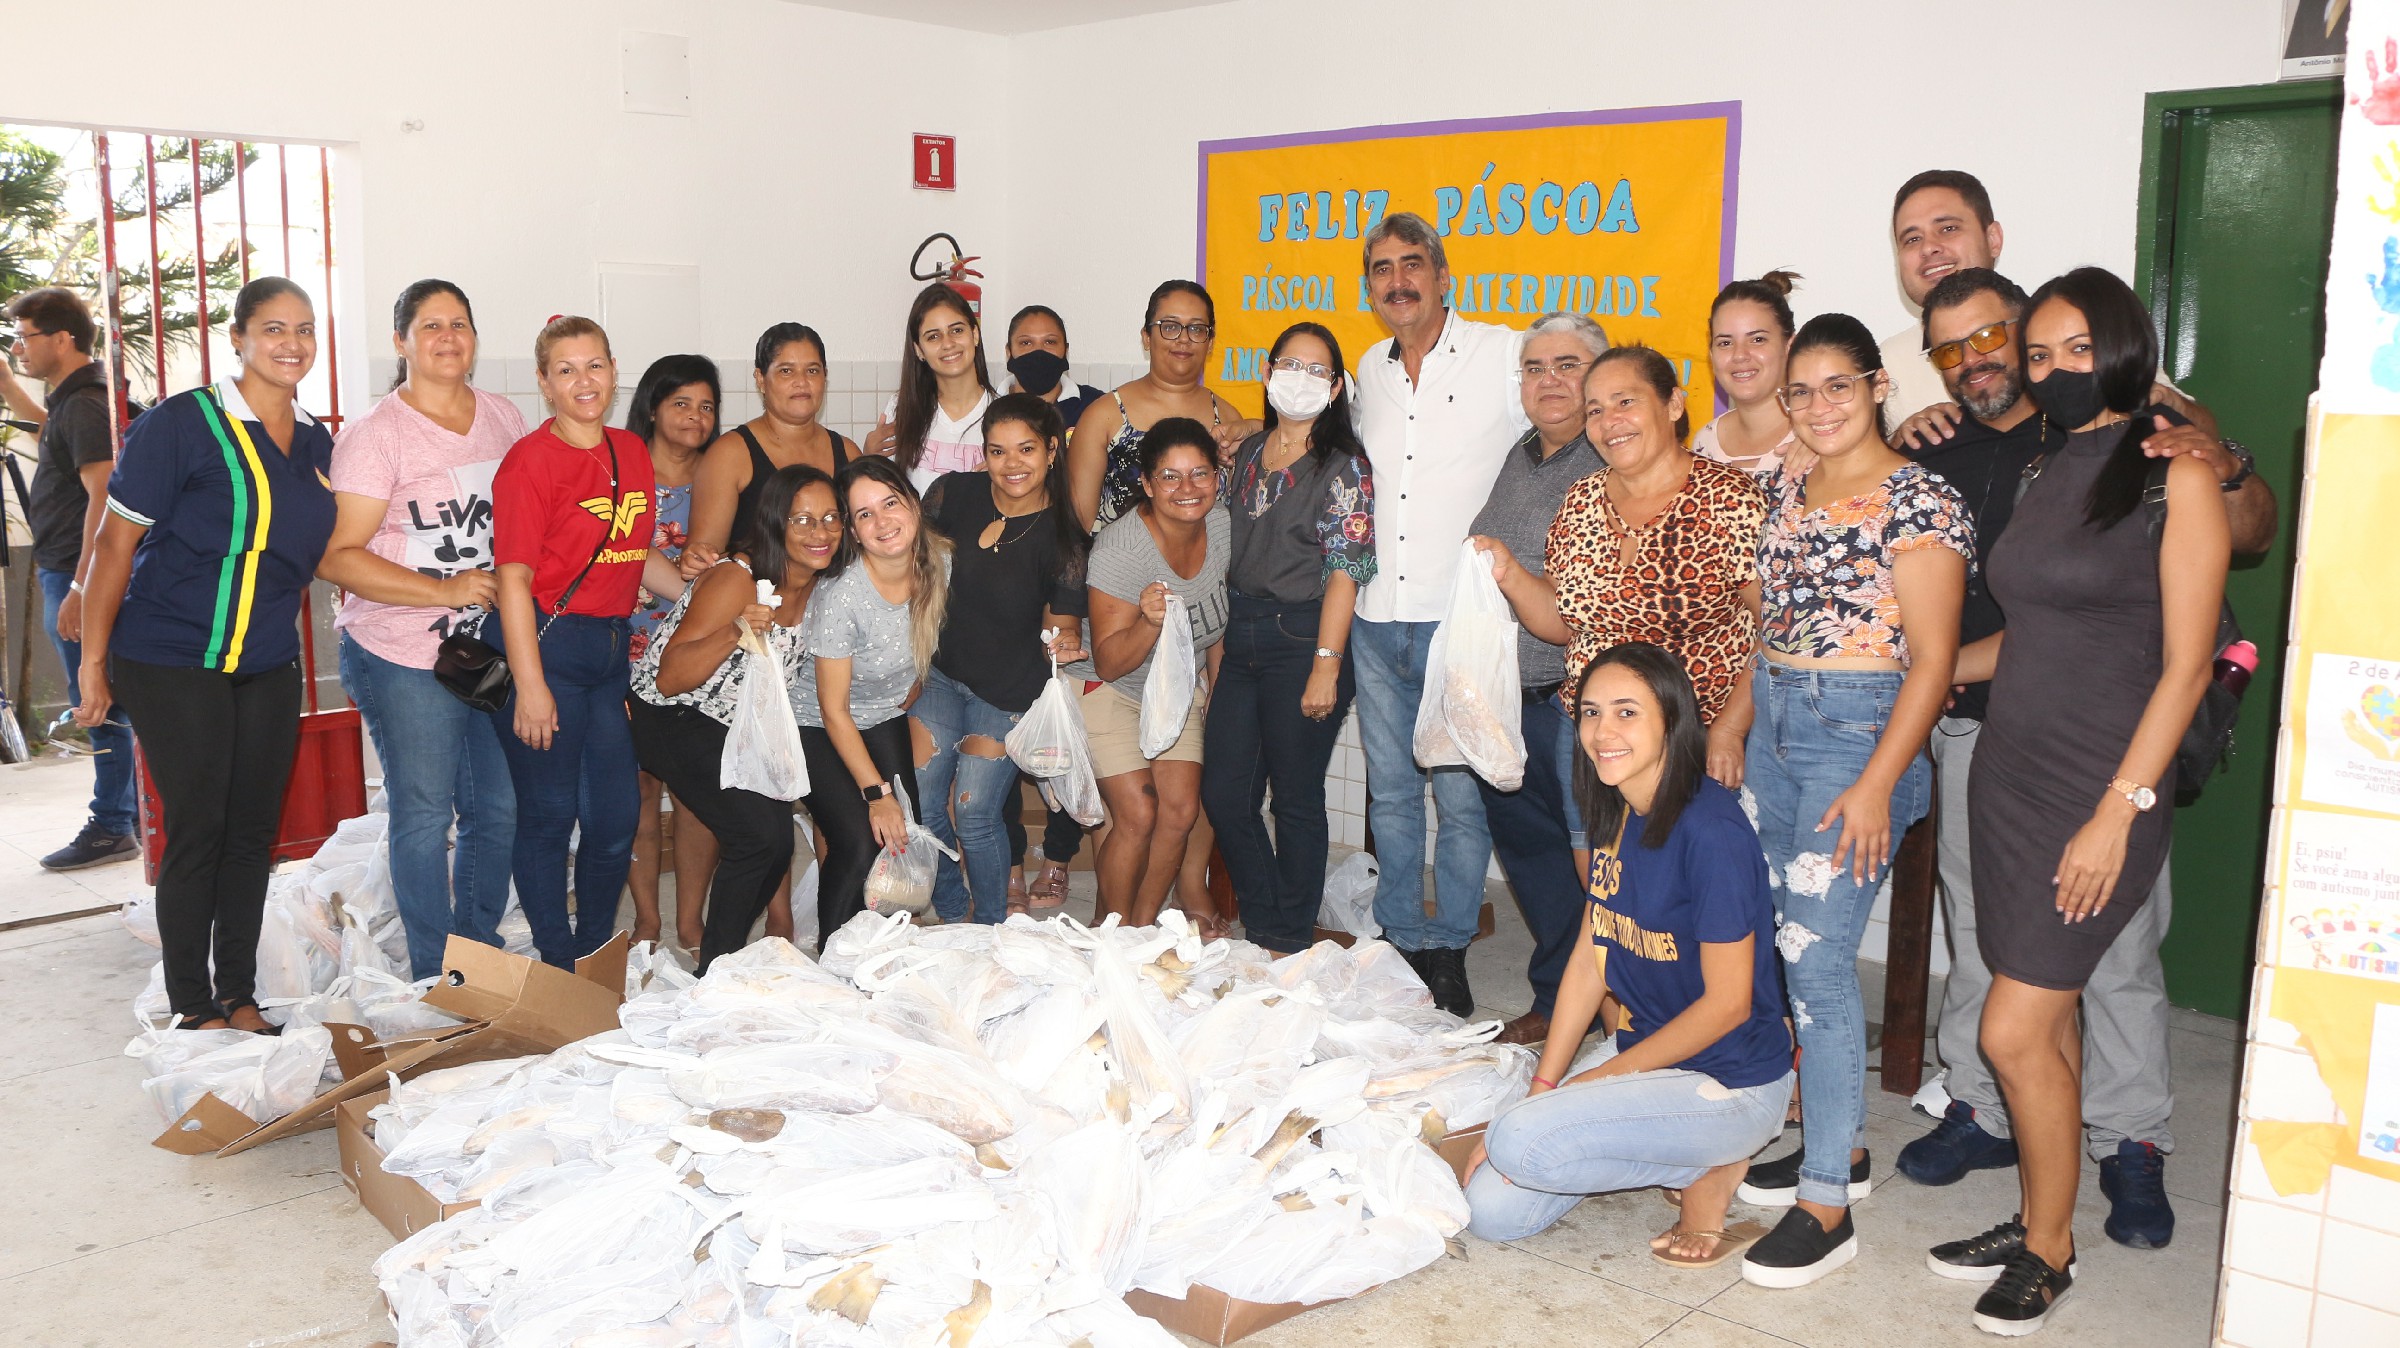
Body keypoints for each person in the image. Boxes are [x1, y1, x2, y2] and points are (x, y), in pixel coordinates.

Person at [1893, 269, 2265, 1251]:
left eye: (2079, 349)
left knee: (2010, 1030)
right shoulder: (2043, 468)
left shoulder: (2173, 470)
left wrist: (2120, 809)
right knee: (2045, 1027)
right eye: (2042, 354)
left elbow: (2185, 665)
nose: (2058, 369)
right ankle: (2037, 1219)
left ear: (2126, 348)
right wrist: (1923, 670)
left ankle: (2051, 1251)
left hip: (2101, 783)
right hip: (2009, 774)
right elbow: (2032, 633)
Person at [1733, 313, 1971, 1290]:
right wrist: (1733, 725)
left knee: (1819, 966)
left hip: (1858, 737)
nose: (1819, 405)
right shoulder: (1787, 486)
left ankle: (1826, 1202)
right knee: (1782, 945)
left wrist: (1878, 784)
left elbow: (1936, 662)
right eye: (1802, 390)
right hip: (1777, 728)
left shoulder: (1921, 499)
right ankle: (1846, 1144)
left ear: (1878, 385)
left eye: (1839, 384)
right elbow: (1767, 623)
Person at [1462, 643, 1794, 1271]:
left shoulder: (1712, 832)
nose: (1602, 731)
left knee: (1518, 1140)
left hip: (1729, 1082)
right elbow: (1590, 959)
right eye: (1590, 712)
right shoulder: (1619, 810)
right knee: (1492, 1213)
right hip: (1645, 1055)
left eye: (1626, 712)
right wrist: (1544, 1086)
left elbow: (1729, 1005)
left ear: (1672, 721)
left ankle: (1712, 1165)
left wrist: (1589, 1085)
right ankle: (1682, 1158)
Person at [1478, 339, 1771, 1045]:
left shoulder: (1731, 500)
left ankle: (1719, 1051)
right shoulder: (1581, 502)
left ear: (1673, 405)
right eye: (1595, 410)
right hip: (1599, 744)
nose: (1609, 422)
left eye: (1626, 402)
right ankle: (1627, 1043)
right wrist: (1510, 575)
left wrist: (1731, 728)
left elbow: (1777, 630)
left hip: (1697, 744)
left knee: (1694, 909)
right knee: (1611, 906)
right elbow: (1563, 623)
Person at [71, 277, 335, 1031]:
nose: (291, 343)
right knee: (199, 829)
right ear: (239, 338)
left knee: (252, 832)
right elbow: (114, 546)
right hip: (171, 656)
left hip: (266, 661)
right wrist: (94, 663)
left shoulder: (315, 439)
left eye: (305, 329)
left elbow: (320, 548)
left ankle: (239, 996)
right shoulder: (183, 424)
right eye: (274, 328)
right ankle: (194, 1004)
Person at [1881, 170, 2279, 559]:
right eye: (1947, 351)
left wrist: (2222, 463)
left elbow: (2244, 526)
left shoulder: (2101, 406)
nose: (1971, 359)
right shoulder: (1892, 374)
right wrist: (1891, 451)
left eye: (1988, 337)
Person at [1349, 211, 1529, 1017]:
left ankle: (1449, 945)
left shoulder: (1500, 353)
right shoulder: (1369, 367)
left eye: (1412, 264)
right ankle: (1398, 937)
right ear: (1370, 287)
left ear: (1444, 277)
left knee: (1459, 799)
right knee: (1390, 796)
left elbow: (1571, 413)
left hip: (1460, 623)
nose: (1398, 281)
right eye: (1382, 268)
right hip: (1376, 616)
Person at [319, 279, 526, 979]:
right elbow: (335, 556)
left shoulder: (502, 417)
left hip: (481, 650)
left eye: (459, 323)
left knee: (496, 808)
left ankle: (477, 953)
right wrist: (443, 589)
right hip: (400, 650)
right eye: (430, 325)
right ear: (401, 341)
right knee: (425, 814)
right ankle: (436, 974)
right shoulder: (376, 435)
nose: (447, 337)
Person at [488, 315, 686, 969]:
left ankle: (596, 954)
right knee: (548, 816)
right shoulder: (529, 462)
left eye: (594, 365)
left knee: (615, 818)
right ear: (544, 382)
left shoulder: (631, 452)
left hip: (607, 652)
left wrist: (699, 596)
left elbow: (636, 553)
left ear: (613, 370)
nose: (584, 381)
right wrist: (530, 685)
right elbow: (513, 580)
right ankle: (557, 962)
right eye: (566, 369)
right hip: (546, 647)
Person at [1456, 311, 1608, 1045]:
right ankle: (1556, 999)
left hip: (1571, 701)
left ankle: (1621, 1010)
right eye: (1535, 367)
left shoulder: (1609, 457)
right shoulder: (1519, 455)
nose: (1549, 380)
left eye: (1568, 365)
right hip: (1504, 700)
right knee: (1533, 859)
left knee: (1596, 867)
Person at [1202, 322, 1374, 954]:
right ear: (1268, 372)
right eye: (1289, 365)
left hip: (1305, 638)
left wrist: (1326, 665)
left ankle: (1288, 934)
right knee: (1226, 793)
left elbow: (1346, 571)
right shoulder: (1248, 452)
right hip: (1241, 632)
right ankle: (1268, 915)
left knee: (1295, 799)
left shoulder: (1344, 467)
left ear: (1335, 387)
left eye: (1316, 370)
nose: (1300, 379)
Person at [631, 465, 840, 970]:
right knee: (759, 838)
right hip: (672, 715)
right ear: (774, 523)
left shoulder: (819, 582)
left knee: (773, 842)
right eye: (802, 520)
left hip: (740, 722)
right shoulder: (737, 578)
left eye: (831, 517)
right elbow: (669, 678)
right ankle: (716, 968)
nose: (820, 532)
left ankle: (722, 960)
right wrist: (734, 631)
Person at [914, 394, 1089, 924]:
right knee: (925, 801)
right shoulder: (951, 493)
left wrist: (1064, 641)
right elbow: (906, 565)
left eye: (1026, 449)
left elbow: (1063, 622)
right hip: (940, 674)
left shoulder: (1064, 536)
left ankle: (989, 929)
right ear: (983, 454)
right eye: (998, 451)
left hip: (1009, 690)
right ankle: (952, 910)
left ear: (1052, 451)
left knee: (973, 812)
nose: (1012, 464)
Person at [1, 287, 136, 870]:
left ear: (61, 339)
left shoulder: (84, 404)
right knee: (104, 699)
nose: (18, 348)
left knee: (96, 701)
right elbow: (56, 440)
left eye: (24, 337)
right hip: (67, 568)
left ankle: (113, 825)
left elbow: (104, 496)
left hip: (77, 573)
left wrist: (82, 587)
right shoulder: (77, 400)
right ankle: (131, 817)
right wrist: (9, 387)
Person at [1077, 417, 1228, 927]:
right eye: (1169, 476)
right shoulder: (1120, 549)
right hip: (1109, 688)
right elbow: (1109, 661)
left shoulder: (1224, 527)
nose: (1187, 488)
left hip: (1177, 689)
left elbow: (1220, 622)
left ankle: (1140, 928)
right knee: (1140, 813)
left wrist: (1217, 694)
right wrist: (1147, 622)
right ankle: (1111, 928)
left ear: (1217, 478)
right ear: (1146, 483)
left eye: (1200, 473)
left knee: (1181, 810)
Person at [799, 456, 950, 938]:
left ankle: (885, 945)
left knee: (903, 837)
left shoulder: (940, 562)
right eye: (865, 514)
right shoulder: (841, 596)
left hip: (882, 713)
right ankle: (834, 958)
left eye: (891, 503)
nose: (883, 521)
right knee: (861, 841)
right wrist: (876, 794)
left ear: (914, 505)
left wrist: (916, 682)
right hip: (812, 721)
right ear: (853, 531)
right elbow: (833, 711)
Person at [622, 354, 740, 952]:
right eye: (682, 403)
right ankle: (647, 918)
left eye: (707, 406)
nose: (696, 416)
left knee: (697, 794)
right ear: (652, 406)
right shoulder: (620, 470)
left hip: (699, 654)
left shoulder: (722, 476)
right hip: (624, 647)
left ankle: (690, 920)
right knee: (638, 791)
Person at [1068, 280, 1242, 531]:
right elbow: (1077, 527)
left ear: (1210, 341)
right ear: (1146, 337)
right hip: (1119, 556)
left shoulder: (1229, 418)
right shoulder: (1104, 416)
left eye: (1196, 328)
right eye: (1170, 327)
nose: (1184, 339)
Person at [689, 323, 854, 560]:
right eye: (786, 371)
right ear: (760, 379)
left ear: (825, 377)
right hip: (751, 584)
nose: (801, 381)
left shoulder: (848, 452)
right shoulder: (730, 454)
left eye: (812, 371)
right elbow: (704, 559)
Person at [864, 284, 995, 493]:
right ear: (919, 350)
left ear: (975, 334)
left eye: (957, 330)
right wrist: (868, 460)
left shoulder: (1003, 413)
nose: (948, 343)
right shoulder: (901, 408)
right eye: (933, 336)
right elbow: (880, 493)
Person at [1693, 271, 1801, 479]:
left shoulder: (1819, 433)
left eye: (1757, 340)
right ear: (1711, 354)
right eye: (1725, 343)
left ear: (1790, 346)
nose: (1739, 355)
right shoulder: (1704, 444)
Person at [1001, 304, 1099, 431]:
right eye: (1026, 343)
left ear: (1066, 351)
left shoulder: (1095, 405)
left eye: (1050, 342)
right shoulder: (986, 406)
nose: (1038, 351)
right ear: (1009, 352)